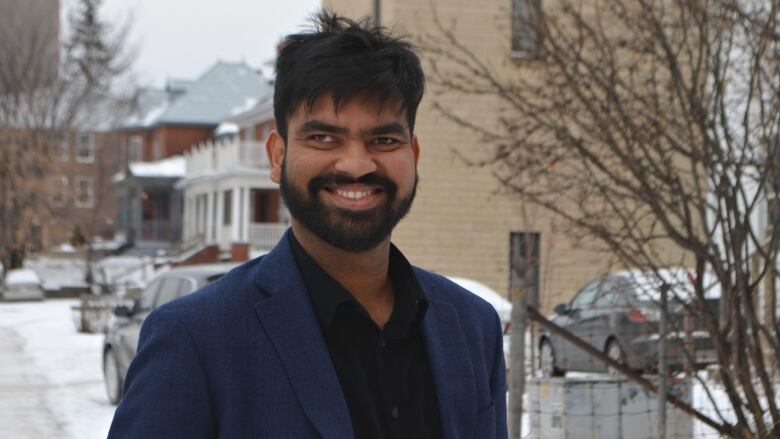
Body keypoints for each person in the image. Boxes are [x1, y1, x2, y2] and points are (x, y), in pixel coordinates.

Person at [108, 11, 507, 439]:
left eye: (383, 140)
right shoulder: (197, 339)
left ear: (414, 156)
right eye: (323, 138)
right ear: (277, 156)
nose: (357, 164)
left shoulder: (471, 328)